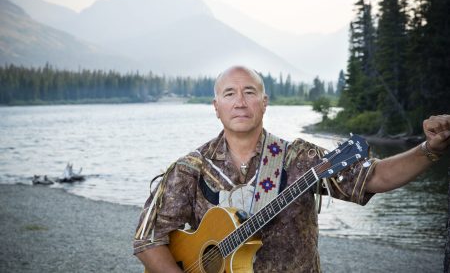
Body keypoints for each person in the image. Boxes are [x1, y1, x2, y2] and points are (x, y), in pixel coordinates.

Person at [133, 66, 450, 272]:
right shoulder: (190, 169)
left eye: (250, 92)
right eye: (229, 94)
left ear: (264, 102)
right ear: (216, 107)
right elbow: (149, 240)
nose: (240, 101)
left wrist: (429, 150)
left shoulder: (299, 158)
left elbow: (375, 177)